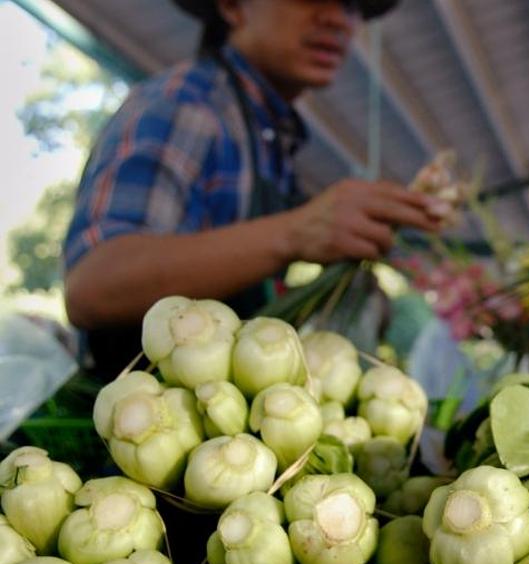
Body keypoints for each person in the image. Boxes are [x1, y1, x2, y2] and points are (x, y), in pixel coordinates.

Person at [63, 0, 450, 379]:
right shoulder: (189, 105)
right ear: (232, 6)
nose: (337, 18)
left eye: (351, 5)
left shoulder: (270, 140)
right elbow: (94, 286)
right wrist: (296, 232)